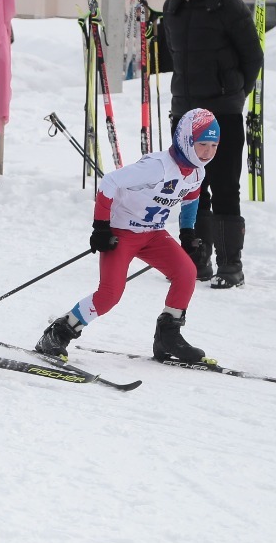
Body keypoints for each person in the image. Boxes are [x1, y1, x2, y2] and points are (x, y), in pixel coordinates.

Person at [33, 109, 219, 365]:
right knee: (109, 295)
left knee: (186, 272)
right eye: (202, 144)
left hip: (152, 234)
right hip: (120, 234)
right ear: (187, 140)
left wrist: (187, 235)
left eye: (213, 145)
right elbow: (109, 182)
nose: (208, 152)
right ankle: (58, 333)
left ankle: (168, 337)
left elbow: (191, 199)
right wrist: (100, 227)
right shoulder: (156, 167)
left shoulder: (197, 171)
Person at [160, 0, 264, 289]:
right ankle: (196, 259)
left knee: (223, 186)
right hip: (183, 114)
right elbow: (167, 55)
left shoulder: (229, 6)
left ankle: (230, 265)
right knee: (190, 185)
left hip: (222, 114)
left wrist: (233, 95)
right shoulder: (173, 5)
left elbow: (253, 57)